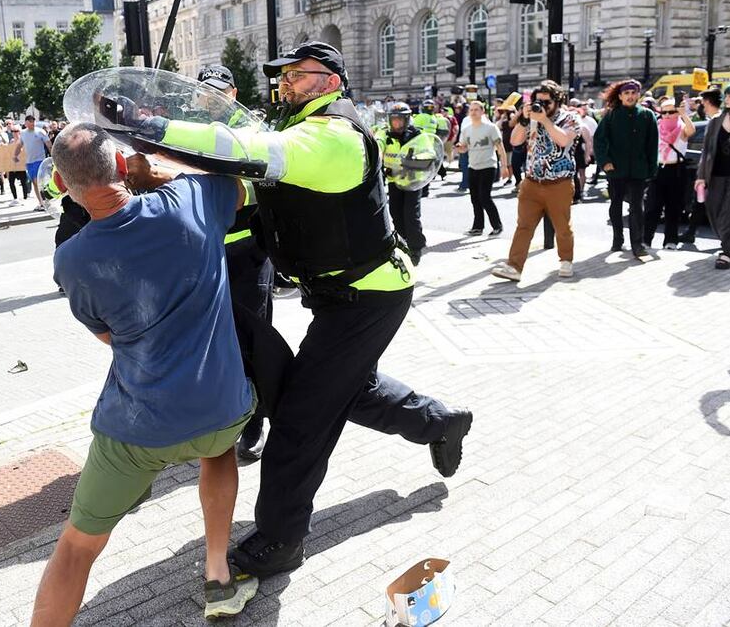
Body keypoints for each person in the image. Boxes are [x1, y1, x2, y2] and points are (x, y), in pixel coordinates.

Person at [144, 41, 472, 577]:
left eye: (299, 75)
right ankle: (440, 421)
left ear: (332, 81)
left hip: (368, 296)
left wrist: (153, 126)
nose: (286, 83)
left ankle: (281, 539)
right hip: (343, 293)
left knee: (300, 420)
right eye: (285, 76)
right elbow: (260, 190)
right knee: (343, 388)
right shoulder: (302, 131)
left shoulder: (332, 135)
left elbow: (243, 149)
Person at [32, 122, 259, 625]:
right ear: (120, 165)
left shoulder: (70, 260)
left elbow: (109, 336)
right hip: (220, 407)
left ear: (65, 187)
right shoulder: (192, 199)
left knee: (76, 546)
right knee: (218, 450)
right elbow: (240, 184)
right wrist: (157, 171)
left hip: (137, 427)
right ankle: (218, 574)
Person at [198, 63, 276, 460]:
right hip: (205, 254)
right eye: (204, 90)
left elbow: (268, 183)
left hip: (247, 253)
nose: (211, 98)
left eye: (219, 91)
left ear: (233, 92)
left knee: (252, 341)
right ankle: (222, 414)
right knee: (211, 341)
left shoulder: (252, 131)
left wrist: (228, 191)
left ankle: (255, 421)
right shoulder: (188, 129)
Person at [492, 79, 580, 282]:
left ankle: (566, 260)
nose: (542, 106)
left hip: (559, 183)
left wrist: (545, 120)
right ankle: (514, 267)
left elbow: (564, 140)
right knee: (524, 225)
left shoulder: (570, 118)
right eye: (538, 101)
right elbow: (514, 141)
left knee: (562, 226)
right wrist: (524, 119)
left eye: (547, 102)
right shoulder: (531, 117)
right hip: (532, 181)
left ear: (557, 101)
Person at [594, 79, 659, 258]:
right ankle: (617, 239)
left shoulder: (647, 115)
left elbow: (653, 144)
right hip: (616, 170)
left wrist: (652, 168)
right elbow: (599, 139)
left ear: (638, 95)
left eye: (633, 93)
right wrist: (605, 162)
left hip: (638, 170)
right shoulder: (611, 115)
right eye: (627, 93)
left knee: (637, 207)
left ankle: (637, 244)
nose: (630, 96)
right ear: (621, 96)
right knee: (616, 205)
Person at [374, 102, 435, 264]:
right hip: (394, 181)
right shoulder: (385, 134)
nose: (396, 123)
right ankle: (405, 241)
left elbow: (429, 157)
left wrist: (411, 162)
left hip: (413, 182)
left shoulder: (418, 136)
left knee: (411, 215)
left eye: (400, 120)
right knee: (396, 215)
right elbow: (377, 142)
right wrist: (377, 154)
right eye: (393, 120)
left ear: (407, 119)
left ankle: (416, 248)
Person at [643, 97, 695, 250]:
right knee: (652, 207)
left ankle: (670, 241)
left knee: (674, 208)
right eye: (664, 112)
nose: (666, 115)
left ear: (677, 112)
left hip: (676, 171)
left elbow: (691, 130)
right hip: (658, 170)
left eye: (671, 111)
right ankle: (646, 240)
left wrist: (683, 113)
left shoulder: (682, 127)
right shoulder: (657, 127)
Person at [456, 100, 509, 236]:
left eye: (476, 110)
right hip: (472, 167)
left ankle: (497, 225)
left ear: (482, 112)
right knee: (474, 198)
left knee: (484, 197)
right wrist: (460, 148)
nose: (473, 112)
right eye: (471, 110)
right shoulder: (466, 130)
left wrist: (504, 166)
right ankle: (478, 227)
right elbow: (464, 149)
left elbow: (500, 147)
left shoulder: (491, 128)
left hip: (488, 166)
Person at [694, 87, 730, 269]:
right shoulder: (716, 121)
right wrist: (701, 176)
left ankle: (727, 252)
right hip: (715, 175)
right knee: (714, 211)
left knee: (727, 214)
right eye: (728, 96)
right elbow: (706, 150)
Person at [13, 115, 53, 212]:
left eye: (33, 121)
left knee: (38, 181)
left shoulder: (40, 132)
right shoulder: (23, 133)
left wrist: (53, 157)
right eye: (30, 121)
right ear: (26, 123)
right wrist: (15, 155)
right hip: (29, 162)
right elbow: (19, 145)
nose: (32, 123)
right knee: (35, 184)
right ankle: (41, 203)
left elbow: (48, 144)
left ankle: (46, 201)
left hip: (39, 160)